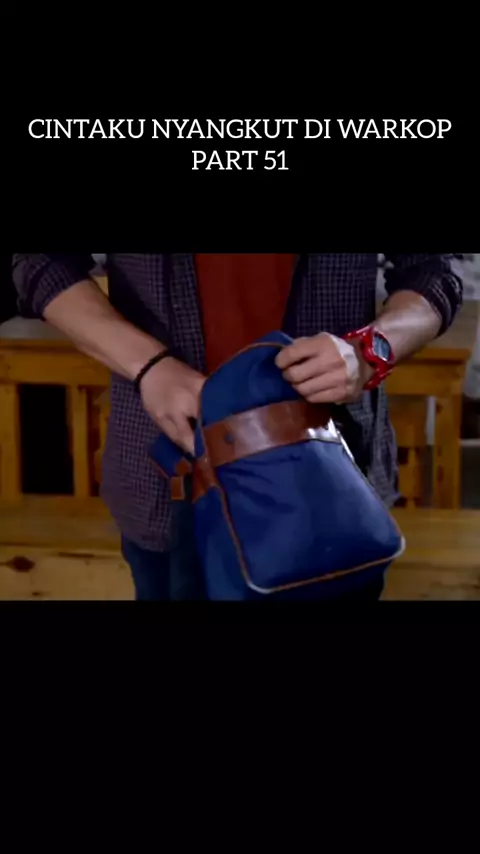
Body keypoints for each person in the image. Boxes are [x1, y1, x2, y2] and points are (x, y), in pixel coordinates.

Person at [12, 253, 463, 601]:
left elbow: (434, 269)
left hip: (331, 480)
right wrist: (148, 365)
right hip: (169, 477)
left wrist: (371, 350)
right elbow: (39, 261)